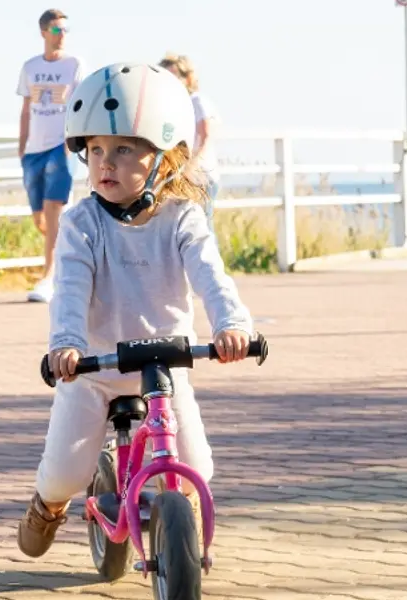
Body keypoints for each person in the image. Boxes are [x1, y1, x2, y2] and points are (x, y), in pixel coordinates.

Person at [16, 62, 256, 558]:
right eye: (95, 150)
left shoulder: (183, 219)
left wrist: (231, 324)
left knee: (196, 468)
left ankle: (181, 525)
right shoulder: (82, 223)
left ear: (165, 159)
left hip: (164, 369)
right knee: (66, 472)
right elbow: (70, 289)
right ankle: (48, 505)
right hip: (95, 369)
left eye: (124, 149)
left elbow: (211, 275)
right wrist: (67, 345)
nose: (105, 163)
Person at [17, 8, 86, 303]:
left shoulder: (75, 65)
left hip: (62, 146)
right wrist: (21, 148)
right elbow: (26, 110)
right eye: (57, 30)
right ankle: (70, 256)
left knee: (53, 210)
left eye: (65, 30)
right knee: (41, 219)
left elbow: (81, 106)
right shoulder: (30, 67)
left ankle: (49, 277)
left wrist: (74, 144)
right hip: (34, 150)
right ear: (44, 32)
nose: (62, 35)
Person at [159, 53, 222, 224]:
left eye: (175, 76)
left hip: (201, 175)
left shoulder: (196, 100)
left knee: (203, 224)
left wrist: (191, 164)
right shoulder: (178, 104)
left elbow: (205, 134)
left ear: (187, 78)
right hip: (188, 175)